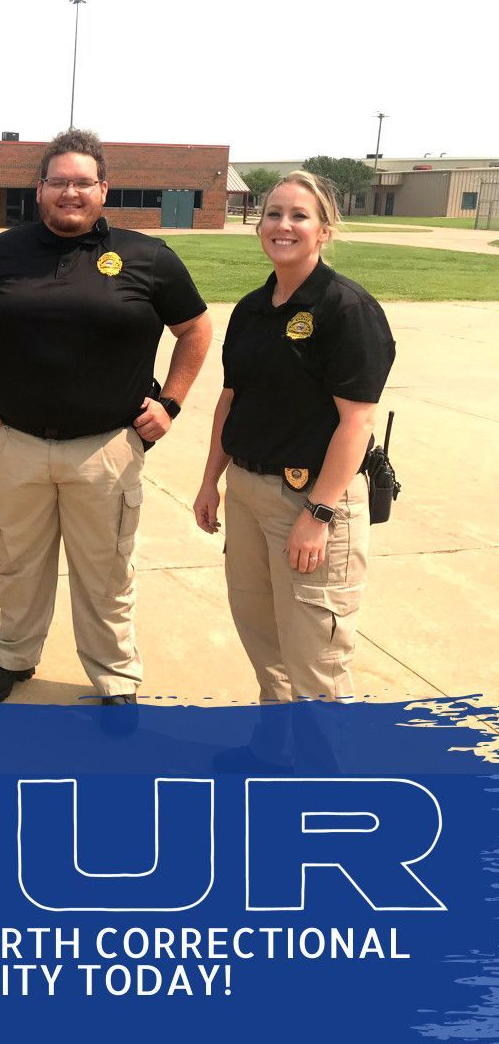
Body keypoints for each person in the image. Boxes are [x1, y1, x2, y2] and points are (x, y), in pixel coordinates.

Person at [0, 129, 212, 705]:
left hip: (107, 448)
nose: (71, 192)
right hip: (15, 442)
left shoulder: (149, 257)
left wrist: (171, 403)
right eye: (59, 181)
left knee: (107, 574)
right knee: (16, 564)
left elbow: (195, 329)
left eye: (82, 182)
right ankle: (14, 658)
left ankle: (115, 677)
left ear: (103, 189)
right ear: (39, 190)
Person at [193, 170, 395, 702]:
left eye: (299, 216)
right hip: (248, 492)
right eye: (273, 214)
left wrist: (319, 514)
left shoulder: (345, 310)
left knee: (316, 660)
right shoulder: (253, 309)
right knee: (264, 640)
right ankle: (276, 752)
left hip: (311, 499)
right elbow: (231, 399)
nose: (283, 225)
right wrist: (210, 481)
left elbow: (357, 422)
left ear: (324, 230)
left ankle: (323, 781)